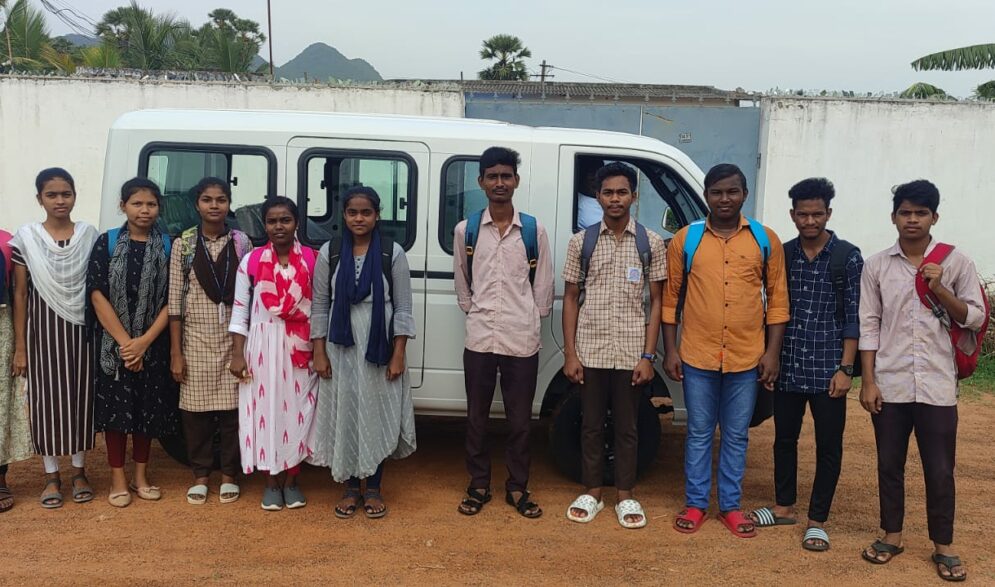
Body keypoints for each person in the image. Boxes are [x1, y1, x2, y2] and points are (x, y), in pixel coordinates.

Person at [858, 180, 983, 582]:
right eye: (905, 212)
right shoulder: (876, 265)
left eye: (921, 213)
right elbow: (869, 324)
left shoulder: (957, 262)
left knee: (940, 468)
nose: (912, 220)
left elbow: (975, 317)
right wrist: (868, 381)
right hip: (890, 383)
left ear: (935, 217)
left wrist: (939, 288)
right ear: (894, 216)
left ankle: (943, 546)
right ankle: (891, 535)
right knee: (889, 464)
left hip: (937, 385)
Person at [662, 163, 789, 538]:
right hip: (697, 355)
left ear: (744, 194)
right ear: (706, 196)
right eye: (716, 192)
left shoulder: (766, 240)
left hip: (747, 356)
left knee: (736, 435)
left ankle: (731, 507)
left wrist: (772, 353)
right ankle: (696, 504)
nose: (724, 199)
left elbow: (778, 301)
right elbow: (670, 302)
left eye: (732, 191)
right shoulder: (686, 239)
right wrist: (670, 351)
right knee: (700, 431)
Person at [746, 178, 863, 551]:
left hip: (830, 370)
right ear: (792, 214)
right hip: (789, 366)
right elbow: (772, 310)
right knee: (784, 440)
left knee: (829, 446)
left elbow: (854, 317)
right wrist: (771, 357)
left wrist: (846, 370)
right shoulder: (782, 254)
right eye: (802, 214)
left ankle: (817, 520)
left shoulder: (847, 256)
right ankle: (783, 506)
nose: (810, 220)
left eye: (817, 214)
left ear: (829, 213)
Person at [561, 162, 666, 529]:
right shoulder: (582, 241)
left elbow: (655, 302)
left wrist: (648, 355)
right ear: (597, 196)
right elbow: (571, 297)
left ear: (634, 197)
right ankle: (592, 493)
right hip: (590, 350)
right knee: (590, 425)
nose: (615, 199)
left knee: (628, 427)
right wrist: (570, 354)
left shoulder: (650, 242)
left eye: (622, 192)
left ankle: (625, 495)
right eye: (608, 192)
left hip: (630, 352)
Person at [453, 146, 554, 519]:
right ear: (481, 181)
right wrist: (476, 312)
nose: (500, 182)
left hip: (521, 339)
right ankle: (478, 485)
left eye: (506, 176)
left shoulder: (532, 230)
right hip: (479, 338)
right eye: (492, 176)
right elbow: (462, 285)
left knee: (519, 420)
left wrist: (530, 317)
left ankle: (517, 487)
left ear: (516, 181)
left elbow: (543, 286)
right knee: (476, 417)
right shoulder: (466, 230)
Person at [309, 186, 417, 519]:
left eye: (366, 212)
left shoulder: (391, 252)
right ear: (344, 215)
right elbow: (320, 305)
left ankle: (374, 487)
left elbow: (402, 306)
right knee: (347, 411)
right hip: (340, 346)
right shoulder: (331, 252)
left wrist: (398, 352)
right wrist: (319, 351)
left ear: (377, 215)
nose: (359, 218)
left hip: (379, 344)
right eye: (353, 212)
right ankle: (351, 488)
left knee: (376, 411)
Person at [11, 168, 99, 509]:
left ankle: (79, 471)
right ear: (39, 199)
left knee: (78, 397)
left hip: (81, 330)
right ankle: (52, 476)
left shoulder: (88, 235)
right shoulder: (27, 238)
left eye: (66, 194)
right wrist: (21, 346)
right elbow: (20, 294)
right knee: (46, 401)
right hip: (41, 330)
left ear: (75, 195)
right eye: (52, 195)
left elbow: (94, 288)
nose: (60, 200)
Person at [88, 177, 178, 508]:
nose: (144, 210)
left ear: (159, 208)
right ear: (122, 206)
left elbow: (173, 299)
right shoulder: (106, 243)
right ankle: (117, 479)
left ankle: (141, 477)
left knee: (146, 413)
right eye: (137, 203)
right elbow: (97, 294)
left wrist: (144, 342)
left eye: (151, 204)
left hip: (152, 344)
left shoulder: (169, 246)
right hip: (114, 346)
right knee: (116, 415)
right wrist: (127, 343)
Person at [229, 196, 318, 512]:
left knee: (297, 413)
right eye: (272, 221)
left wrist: (319, 352)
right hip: (262, 347)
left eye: (285, 220)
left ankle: (292, 480)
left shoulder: (312, 259)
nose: (278, 227)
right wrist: (238, 354)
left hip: (299, 348)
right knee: (264, 413)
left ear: (296, 223)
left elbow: (320, 311)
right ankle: (270, 482)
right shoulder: (251, 262)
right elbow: (240, 311)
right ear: (264, 225)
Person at [168, 178, 253, 505]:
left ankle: (230, 473)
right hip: (195, 338)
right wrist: (176, 352)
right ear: (197, 205)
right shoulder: (184, 245)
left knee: (233, 413)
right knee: (196, 414)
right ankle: (201, 474)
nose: (214, 205)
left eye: (221, 199)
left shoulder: (241, 241)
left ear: (229, 203)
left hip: (233, 337)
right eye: (207, 199)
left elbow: (249, 291)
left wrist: (241, 348)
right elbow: (175, 302)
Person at [0, 229, 32, 513]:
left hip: (1, 325)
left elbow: (17, 291)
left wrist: (19, 345)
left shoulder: (6, 241)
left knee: (1, 403)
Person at [575, 156, 605, 230]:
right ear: (581, 176)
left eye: (600, 173)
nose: (597, 178)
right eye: (592, 173)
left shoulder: (602, 198)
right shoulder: (582, 203)